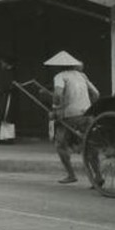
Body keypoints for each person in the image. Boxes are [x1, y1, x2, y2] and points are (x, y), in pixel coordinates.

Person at [46, 51, 100, 184]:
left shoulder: (60, 76)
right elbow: (96, 94)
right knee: (89, 145)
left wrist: (55, 109)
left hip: (70, 116)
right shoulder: (82, 75)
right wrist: (89, 107)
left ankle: (71, 175)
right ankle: (98, 176)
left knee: (60, 144)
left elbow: (57, 95)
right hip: (87, 114)